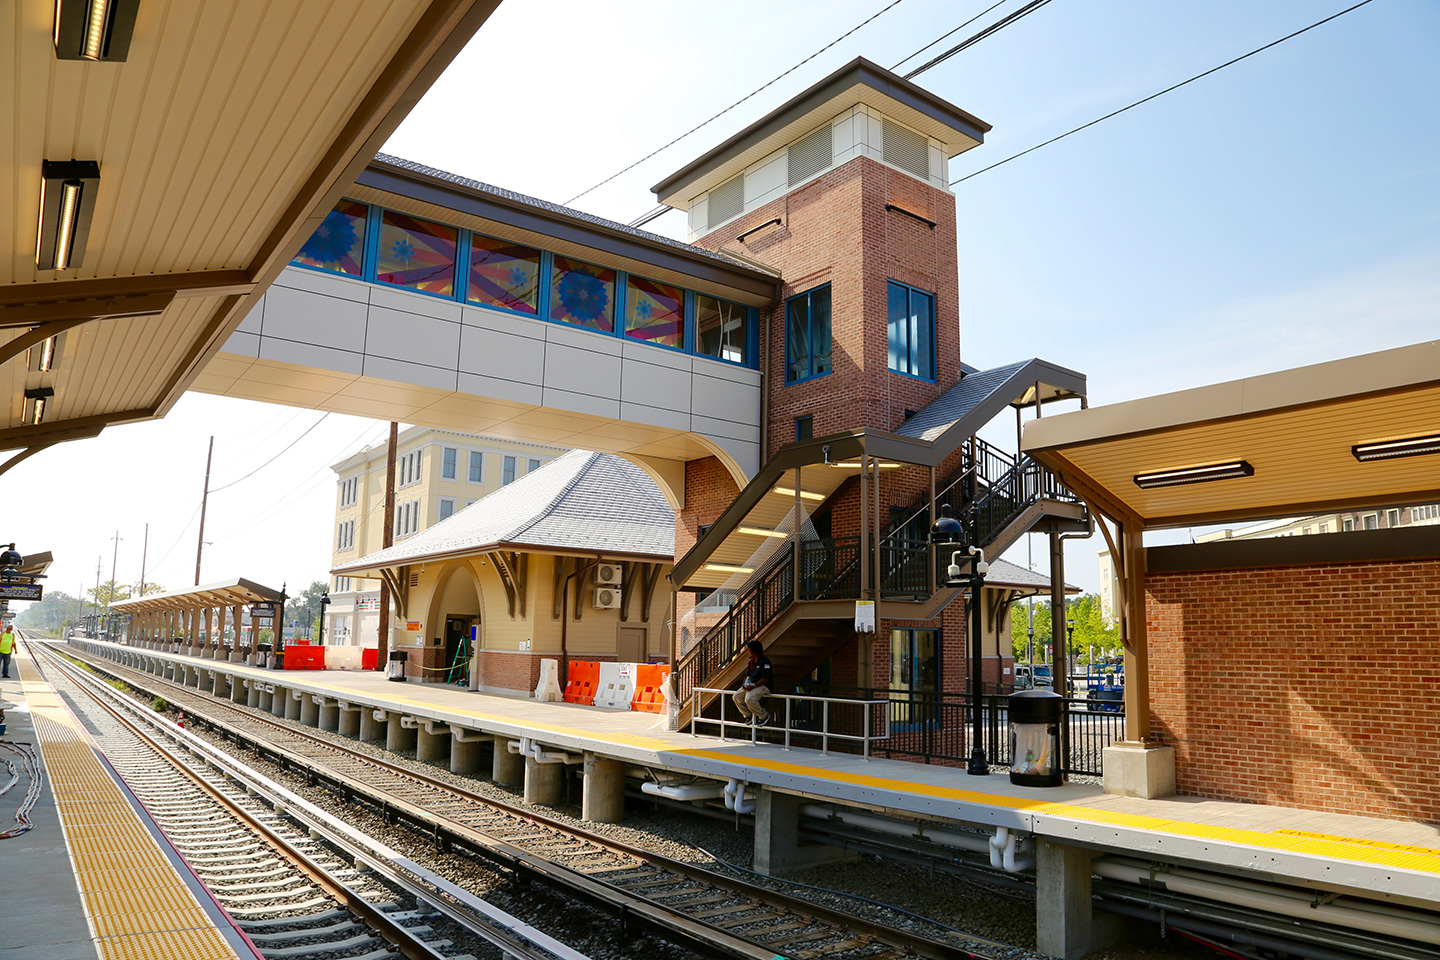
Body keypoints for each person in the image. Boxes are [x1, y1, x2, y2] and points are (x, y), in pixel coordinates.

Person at [732, 640, 773, 725]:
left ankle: (763, 715)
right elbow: (748, 676)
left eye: (749, 650)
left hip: (764, 686)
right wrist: (744, 684)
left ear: (754, 651)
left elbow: (765, 678)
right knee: (736, 696)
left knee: (749, 699)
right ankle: (748, 715)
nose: (748, 652)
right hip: (752, 685)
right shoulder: (751, 662)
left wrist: (754, 686)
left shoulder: (765, 662)